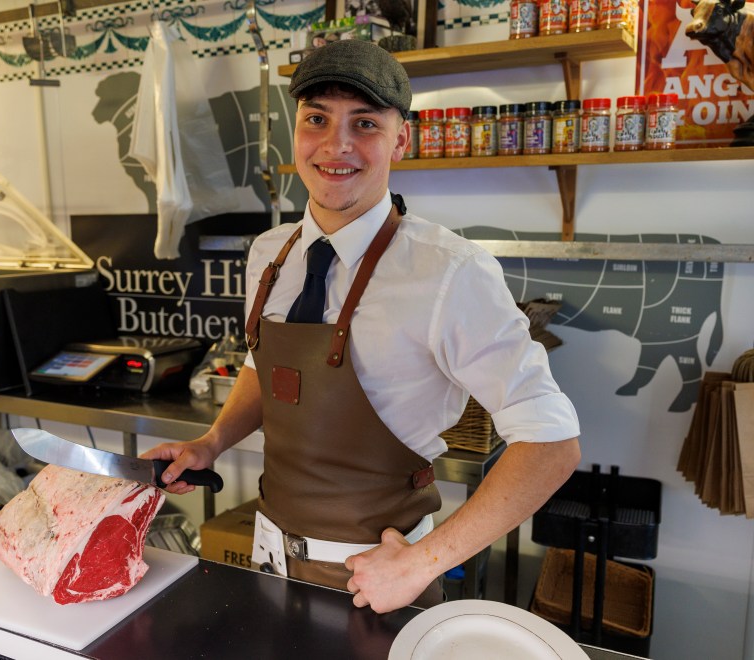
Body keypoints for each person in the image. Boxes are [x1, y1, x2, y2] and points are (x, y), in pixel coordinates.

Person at [141, 38, 581, 613]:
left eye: (365, 123)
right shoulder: (271, 255)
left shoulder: (449, 272)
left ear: (402, 138)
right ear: (294, 130)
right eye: (316, 119)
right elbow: (263, 366)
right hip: (270, 560)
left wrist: (424, 563)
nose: (335, 145)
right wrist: (211, 442)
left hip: (375, 583)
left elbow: (552, 443)